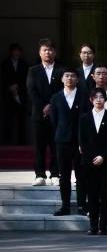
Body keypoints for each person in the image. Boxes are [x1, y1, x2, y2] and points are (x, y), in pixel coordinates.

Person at [78, 89, 107, 235]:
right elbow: (82, 141)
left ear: (105, 100)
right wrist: (91, 157)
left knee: (106, 193)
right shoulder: (84, 118)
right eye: (95, 97)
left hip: (106, 161)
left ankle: (104, 225)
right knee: (92, 193)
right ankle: (93, 225)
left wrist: (103, 156)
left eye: (101, 97)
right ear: (91, 100)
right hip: (89, 161)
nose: (98, 100)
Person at [49, 69, 88, 216]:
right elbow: (54, 120)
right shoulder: (55, 97)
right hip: (62, 141)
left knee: (81, 175)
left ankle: (82, 205)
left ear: (77, 79)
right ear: (62, 79)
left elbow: (87, 118)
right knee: (64, 175)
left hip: (80, 141)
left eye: (73, 76)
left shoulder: (84, 95)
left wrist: (84, 140)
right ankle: (65, 206)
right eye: (66, 76)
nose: (70, 78)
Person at [27, 38, 64, 186]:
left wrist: (51, 105)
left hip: (57, 114)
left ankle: (55, 174)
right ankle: (40, 175)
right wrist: (43, 106)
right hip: (39, 114)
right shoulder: (33, 70)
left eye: (50, 50)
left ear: (54, 52)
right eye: (45, 50)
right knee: (39, 146)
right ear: (40, 53)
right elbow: (31, 91)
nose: (47, 52)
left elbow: (64, 90)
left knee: (56, 145)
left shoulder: (62, 69)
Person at [2, 43, 29, 146]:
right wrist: (10, 87)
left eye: (18, 51)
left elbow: (26, 79)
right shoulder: (5, 63)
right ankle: (6, 142)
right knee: (7, 120)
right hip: (8, 95)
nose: (16, 53)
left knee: (21, 120)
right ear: (11, 52)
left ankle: (22, 143)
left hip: (21, 95)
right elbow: (3, 78)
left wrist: (18, 87)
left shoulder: (24, 64)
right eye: (14, 50)